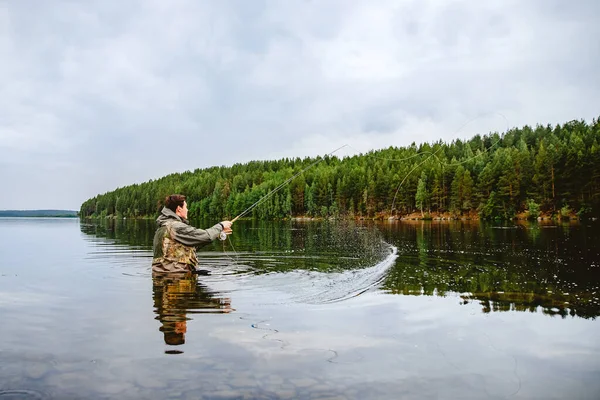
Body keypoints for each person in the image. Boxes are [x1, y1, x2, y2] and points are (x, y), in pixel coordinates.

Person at [152, 194, 233, 274]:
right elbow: (206, 236)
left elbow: (189, 248)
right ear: (179, 209)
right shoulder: (176, 226)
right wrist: (221, 226)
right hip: (177, 277)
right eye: (186, 207)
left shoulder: (162, 227)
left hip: (164, 275)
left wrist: (217, 234)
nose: (187, 210)